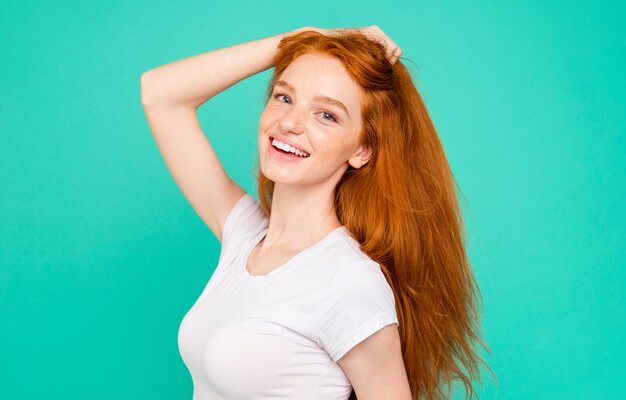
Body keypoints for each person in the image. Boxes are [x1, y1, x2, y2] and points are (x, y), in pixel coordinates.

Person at [140, 25, 494, 400]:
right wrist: (302, 38)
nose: (290, 123)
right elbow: (160, 94)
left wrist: (304, 44)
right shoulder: (243, 237)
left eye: (327, 115)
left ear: (362, 150)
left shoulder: (348, 281)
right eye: (284, 97)